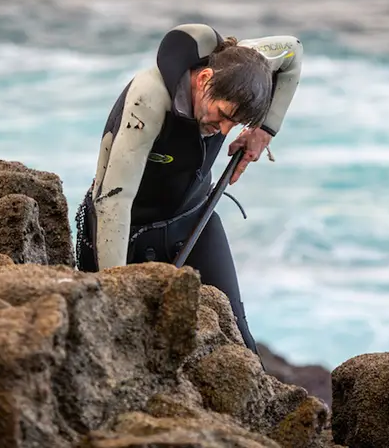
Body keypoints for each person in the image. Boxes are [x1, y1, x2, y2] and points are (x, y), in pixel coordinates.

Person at [75, 23, 304, 357]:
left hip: (194, 221)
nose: (223, 130)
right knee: (119, 350)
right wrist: (118, 288)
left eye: (234, 125)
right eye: (223, 115)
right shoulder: (149, 99)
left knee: (240, 342)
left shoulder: (244, 63)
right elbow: (115, 202)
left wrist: (264, 129)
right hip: (124, 234)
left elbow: (293, 51)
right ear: (204, 79)